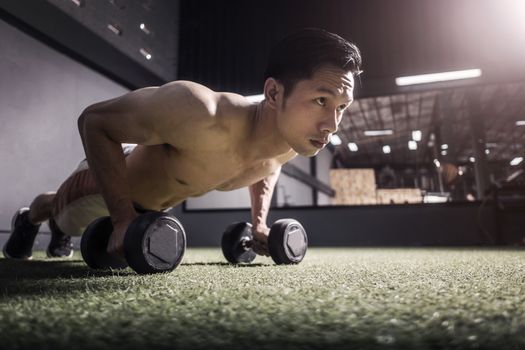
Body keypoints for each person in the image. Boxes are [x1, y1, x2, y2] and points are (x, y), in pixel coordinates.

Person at [3, 28, 362, 261]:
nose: (331, 125)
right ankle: (27, 221)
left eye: (341, 108)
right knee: (56, 211)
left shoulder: (289, 141)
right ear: (273, 93)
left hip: (151, 211)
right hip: (103, 188)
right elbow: (94, 122)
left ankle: (60, 235)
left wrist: (259, 224)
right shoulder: (198, 111)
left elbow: (268, 168)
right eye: (320, 101)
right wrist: (123, 217)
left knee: (74, 232)